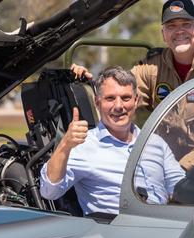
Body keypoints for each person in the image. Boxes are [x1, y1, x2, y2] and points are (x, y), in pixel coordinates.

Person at [71, 0, 194, 171]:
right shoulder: (153, 67)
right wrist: (87, 82)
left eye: (186, 24)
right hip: (164, 165)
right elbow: (119, 90)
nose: (179, 31)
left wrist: (175, 171)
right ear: (163, 34)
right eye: (171, 26)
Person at [39, 66, 185, 216]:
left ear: (136, 101)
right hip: (115, 233)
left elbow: (182, 189)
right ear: (97, 103)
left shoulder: (155, 142)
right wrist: (65, 145)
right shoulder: (83, 145)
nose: (118, 106)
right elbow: (49, 191)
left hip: (165, 230)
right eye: (110, 98)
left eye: (125, 98)